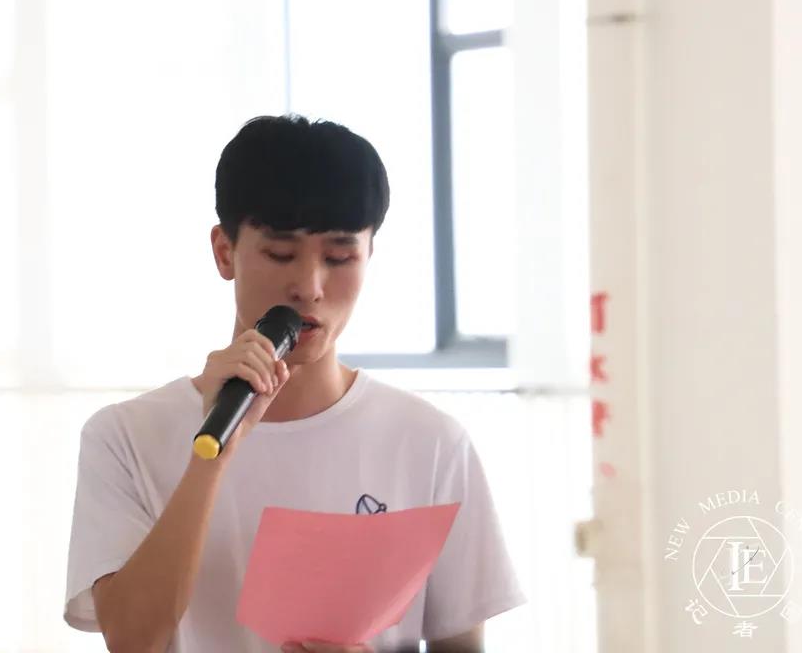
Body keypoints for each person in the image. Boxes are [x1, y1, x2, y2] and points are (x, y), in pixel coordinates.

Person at [63, 114, 526, 652]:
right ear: (224, 252)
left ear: (369, 256)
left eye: (339, 257)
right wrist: (210, 458)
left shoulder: (431, 442)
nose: (308, 286)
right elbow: (132, 640)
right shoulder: (125, 436)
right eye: (280, 254)